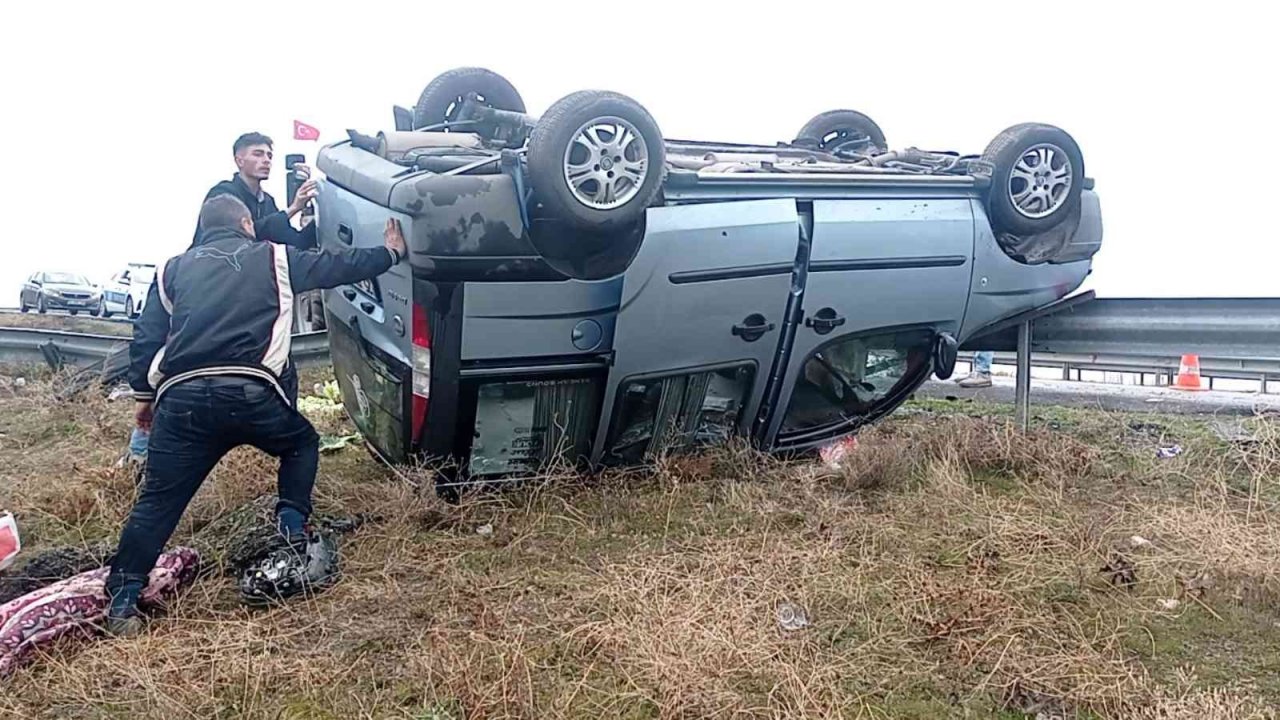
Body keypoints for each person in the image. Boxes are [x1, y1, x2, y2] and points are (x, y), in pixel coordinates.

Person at [105, 194, 407, 636]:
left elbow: (148, 335)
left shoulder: (171, 269)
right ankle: (292, 530)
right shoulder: (275, 257)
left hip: (181, 398)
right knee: (300, 443)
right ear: (247, 223)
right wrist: (391, 253)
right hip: (248, 392)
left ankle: (123, 598)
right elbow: (338, 266)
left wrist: (143, 397)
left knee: (157, 502)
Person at [190, 132, 319, 250]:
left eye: (269, 155)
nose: (266, 160)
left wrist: (318, 220)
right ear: (239, 161)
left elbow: (292, 241)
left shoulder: (267, 201)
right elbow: (237, 234)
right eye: (258, 154)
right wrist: (293, 209)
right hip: (211, 270)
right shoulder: (222, 194)